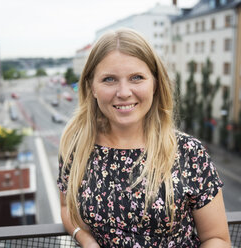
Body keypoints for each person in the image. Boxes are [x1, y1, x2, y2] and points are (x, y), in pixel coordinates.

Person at [57, 28, 231, 247]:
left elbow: (217, 238)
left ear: (155, 83)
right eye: (109, 79)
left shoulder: (189, 152)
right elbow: (66, 208)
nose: (123, 92)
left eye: (136, 78)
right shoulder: (76, 148)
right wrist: (87, 241)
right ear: (92, 87)